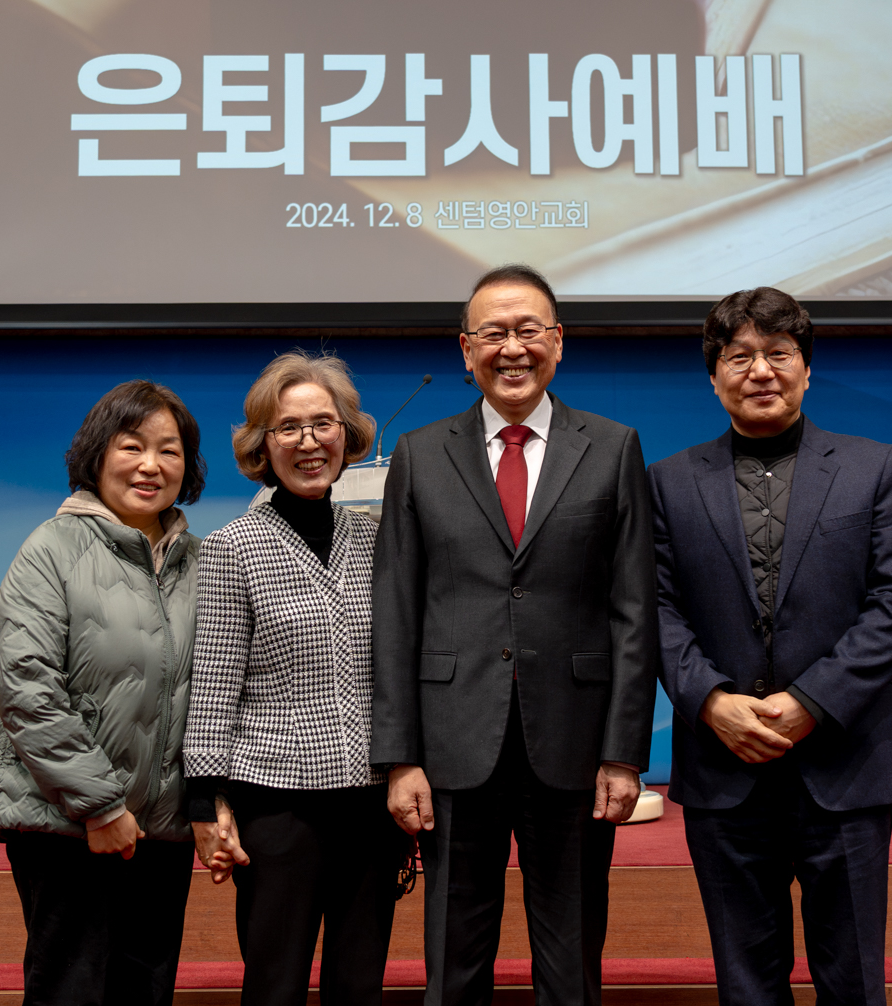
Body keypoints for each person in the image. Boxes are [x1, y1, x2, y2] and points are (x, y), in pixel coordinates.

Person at [371, 265, 659, 1006]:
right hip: (452, 743)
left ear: (557, 341)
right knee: (452, 962)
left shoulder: (613, 447)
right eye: (493, 333)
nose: (512, 348)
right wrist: (399, 757)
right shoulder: (419, 453)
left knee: (571, 966)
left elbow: (634, 610)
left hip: (574, 742)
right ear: (465, 349)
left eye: (528, 330)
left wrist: (624, 752)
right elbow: (395, 610)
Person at [647, 287, 892, 1006]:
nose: (761, 371)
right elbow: (653, 610)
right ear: (714, 377)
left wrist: (811, 702)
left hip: (846, 759)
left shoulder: (873, 467)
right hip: (724, 762)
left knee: (853, 979)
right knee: (746, 984)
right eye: (739, 356)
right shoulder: (668, 482)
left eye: (778, 353)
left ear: (806, 369)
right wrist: (712, 702)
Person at [182, 350, 409, 1006]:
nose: (309, 442)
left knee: (358, 987)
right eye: (288, 428)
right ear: (262, 445)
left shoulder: (378, 539)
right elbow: (214, 684)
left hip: (371, 806)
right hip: (277, 808)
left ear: (347, 435)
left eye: (323, 424)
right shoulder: (231, 548)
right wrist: (204, 803)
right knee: (274, 986)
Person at [0, 379, 206, 1006]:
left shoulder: (203, 561)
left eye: (169, 450)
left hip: (161, 832)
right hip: (67, 825)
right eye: (132, 446)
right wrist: (101, 808)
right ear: (97, 455)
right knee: (70, 992)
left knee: (145, 993)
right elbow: (28, 687)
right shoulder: (51, 550)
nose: (150, 465)